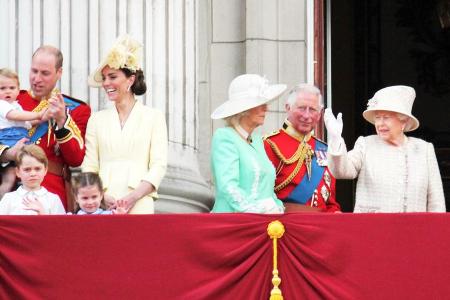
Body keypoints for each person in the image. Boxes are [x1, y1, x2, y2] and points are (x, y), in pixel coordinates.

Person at [324, 85, 446, 212]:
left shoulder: (424, 150)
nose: (380, 123)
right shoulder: (366, 144)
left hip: (415, 229)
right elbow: (341, 171)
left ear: (403, 122)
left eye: (386, 118)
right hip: (373, 228)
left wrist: (437, 230)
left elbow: (436, 202)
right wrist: (336, 139)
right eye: (377, 117)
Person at [82, 35, 167, 214]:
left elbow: (158, 165)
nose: (106, 83)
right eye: (104, 78)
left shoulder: (153, 117)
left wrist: (133, 197)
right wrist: (100, 197)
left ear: (130, 80)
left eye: (112, 77)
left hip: (140, 201)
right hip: (103, 204)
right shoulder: (96, 120)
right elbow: (89, 166)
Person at [0, 46, 91, 211]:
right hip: (10, 189)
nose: (37, 79)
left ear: (59, 72)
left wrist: (63, 120)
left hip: (50, 192)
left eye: (45, 73)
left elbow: (76, 159)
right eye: (34, 71)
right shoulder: (9, 101)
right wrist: (8, 153)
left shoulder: (76, 109)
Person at [210, 74, 286, 213]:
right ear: (243, 110)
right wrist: (257, 212)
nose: (266, 109)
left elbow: (266, 189)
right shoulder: (224, 137)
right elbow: (228, 187)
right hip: (233, 222)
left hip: (262, 223)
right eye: (259, 104)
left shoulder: (257, 141)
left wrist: (277, 207)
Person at [264, 84, 341, 212]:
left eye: (312, 109)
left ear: (320, 113)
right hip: (284, 226)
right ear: (288, 108)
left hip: (320, 226)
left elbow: (330, 203)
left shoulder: (324, 150)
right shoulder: (269, 145)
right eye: (301, 108)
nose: (306, 115)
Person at [0, 68, 48, 198]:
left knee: (10, 178)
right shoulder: (2, 104)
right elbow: (14, 116)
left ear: (18, 89)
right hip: (9, 139)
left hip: (19, 135)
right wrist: (38, 114)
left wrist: (40, 119)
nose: (8, 91)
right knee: (33, 158)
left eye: (12, 87)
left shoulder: (16, 105)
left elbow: (25, 124)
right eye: (2, 88)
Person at [0, 144, 65, 215]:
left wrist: (43, 214)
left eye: (37, 169)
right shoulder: (9, 199)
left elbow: (60, 225)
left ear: (45, 170)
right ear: (18, 172)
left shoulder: (53, 200)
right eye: (27, 169)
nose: (32, 174)